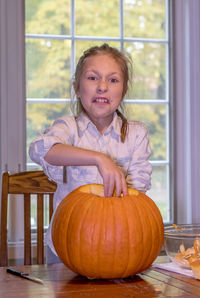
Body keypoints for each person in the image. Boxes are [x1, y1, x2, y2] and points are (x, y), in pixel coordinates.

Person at [29, 43, 152, 263]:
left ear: (123, 91)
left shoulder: (136, 134)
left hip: (120, 247)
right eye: (93, 78)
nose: (102, 87)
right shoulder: (68, 128)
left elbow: (138, 199)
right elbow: (40, 149)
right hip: (66, 252)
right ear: (77, 88)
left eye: (112, 80)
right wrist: (99, 159)